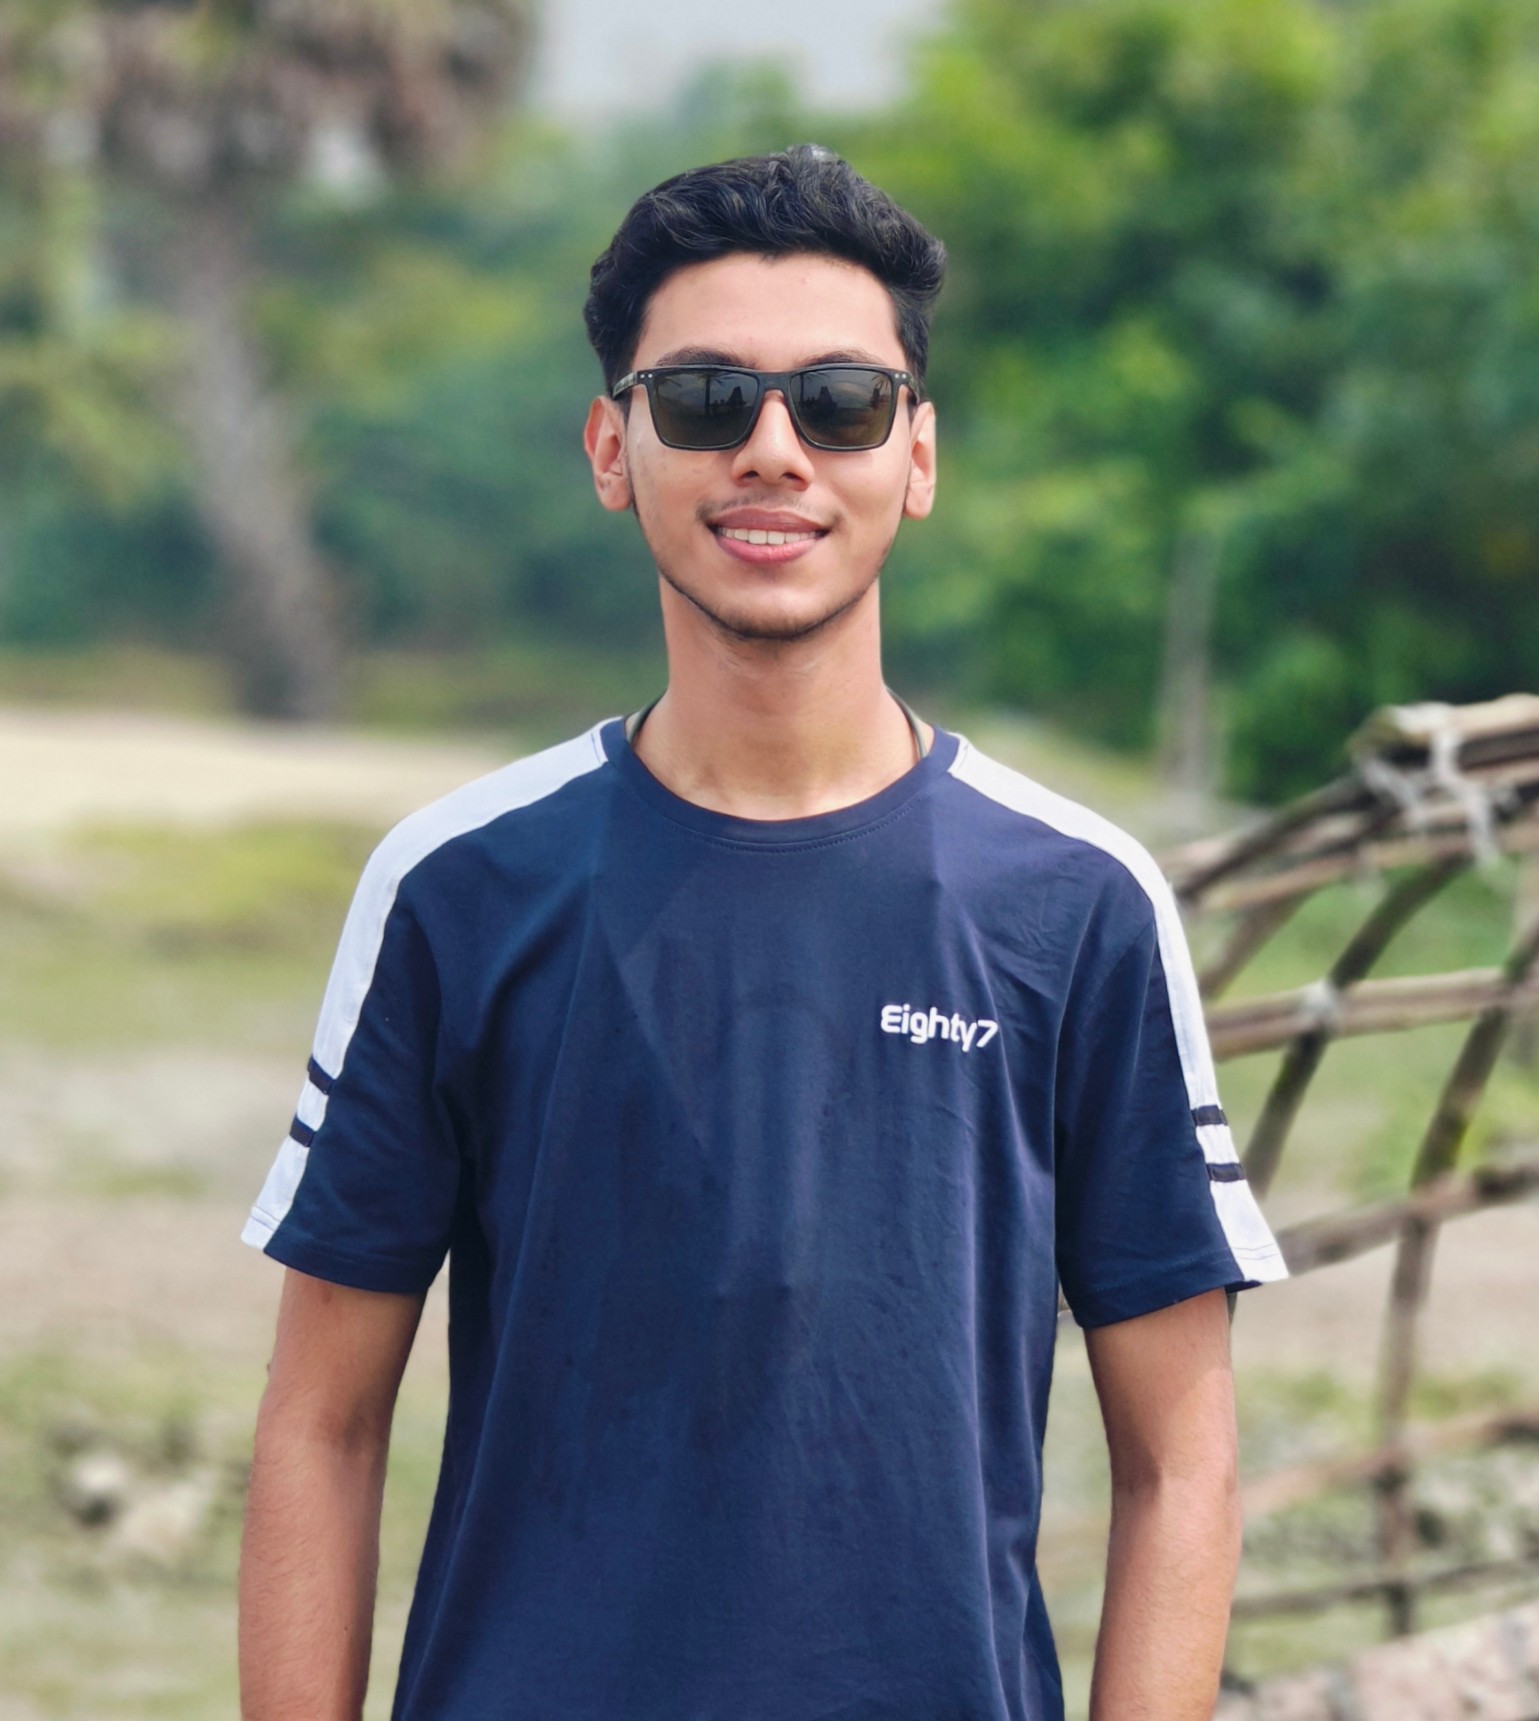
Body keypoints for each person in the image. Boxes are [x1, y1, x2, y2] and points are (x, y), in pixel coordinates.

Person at [237, 144, 1287, 1721]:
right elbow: (321, 1424)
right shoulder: (458, 886)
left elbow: (1180, 1458)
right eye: (707, 400)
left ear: (917, 454)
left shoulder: (1076, 902)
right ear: (614, 447)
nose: (774, 452)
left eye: (842, 403)